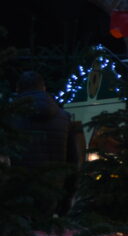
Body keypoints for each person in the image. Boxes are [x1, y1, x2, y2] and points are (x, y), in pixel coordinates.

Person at [9, 71, 78, 215]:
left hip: (16, 193)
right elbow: (72, 161)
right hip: (52, 191)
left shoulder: (9, 116)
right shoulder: (64, 118)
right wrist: (67, 197)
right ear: (44, 88)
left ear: (18, 89)